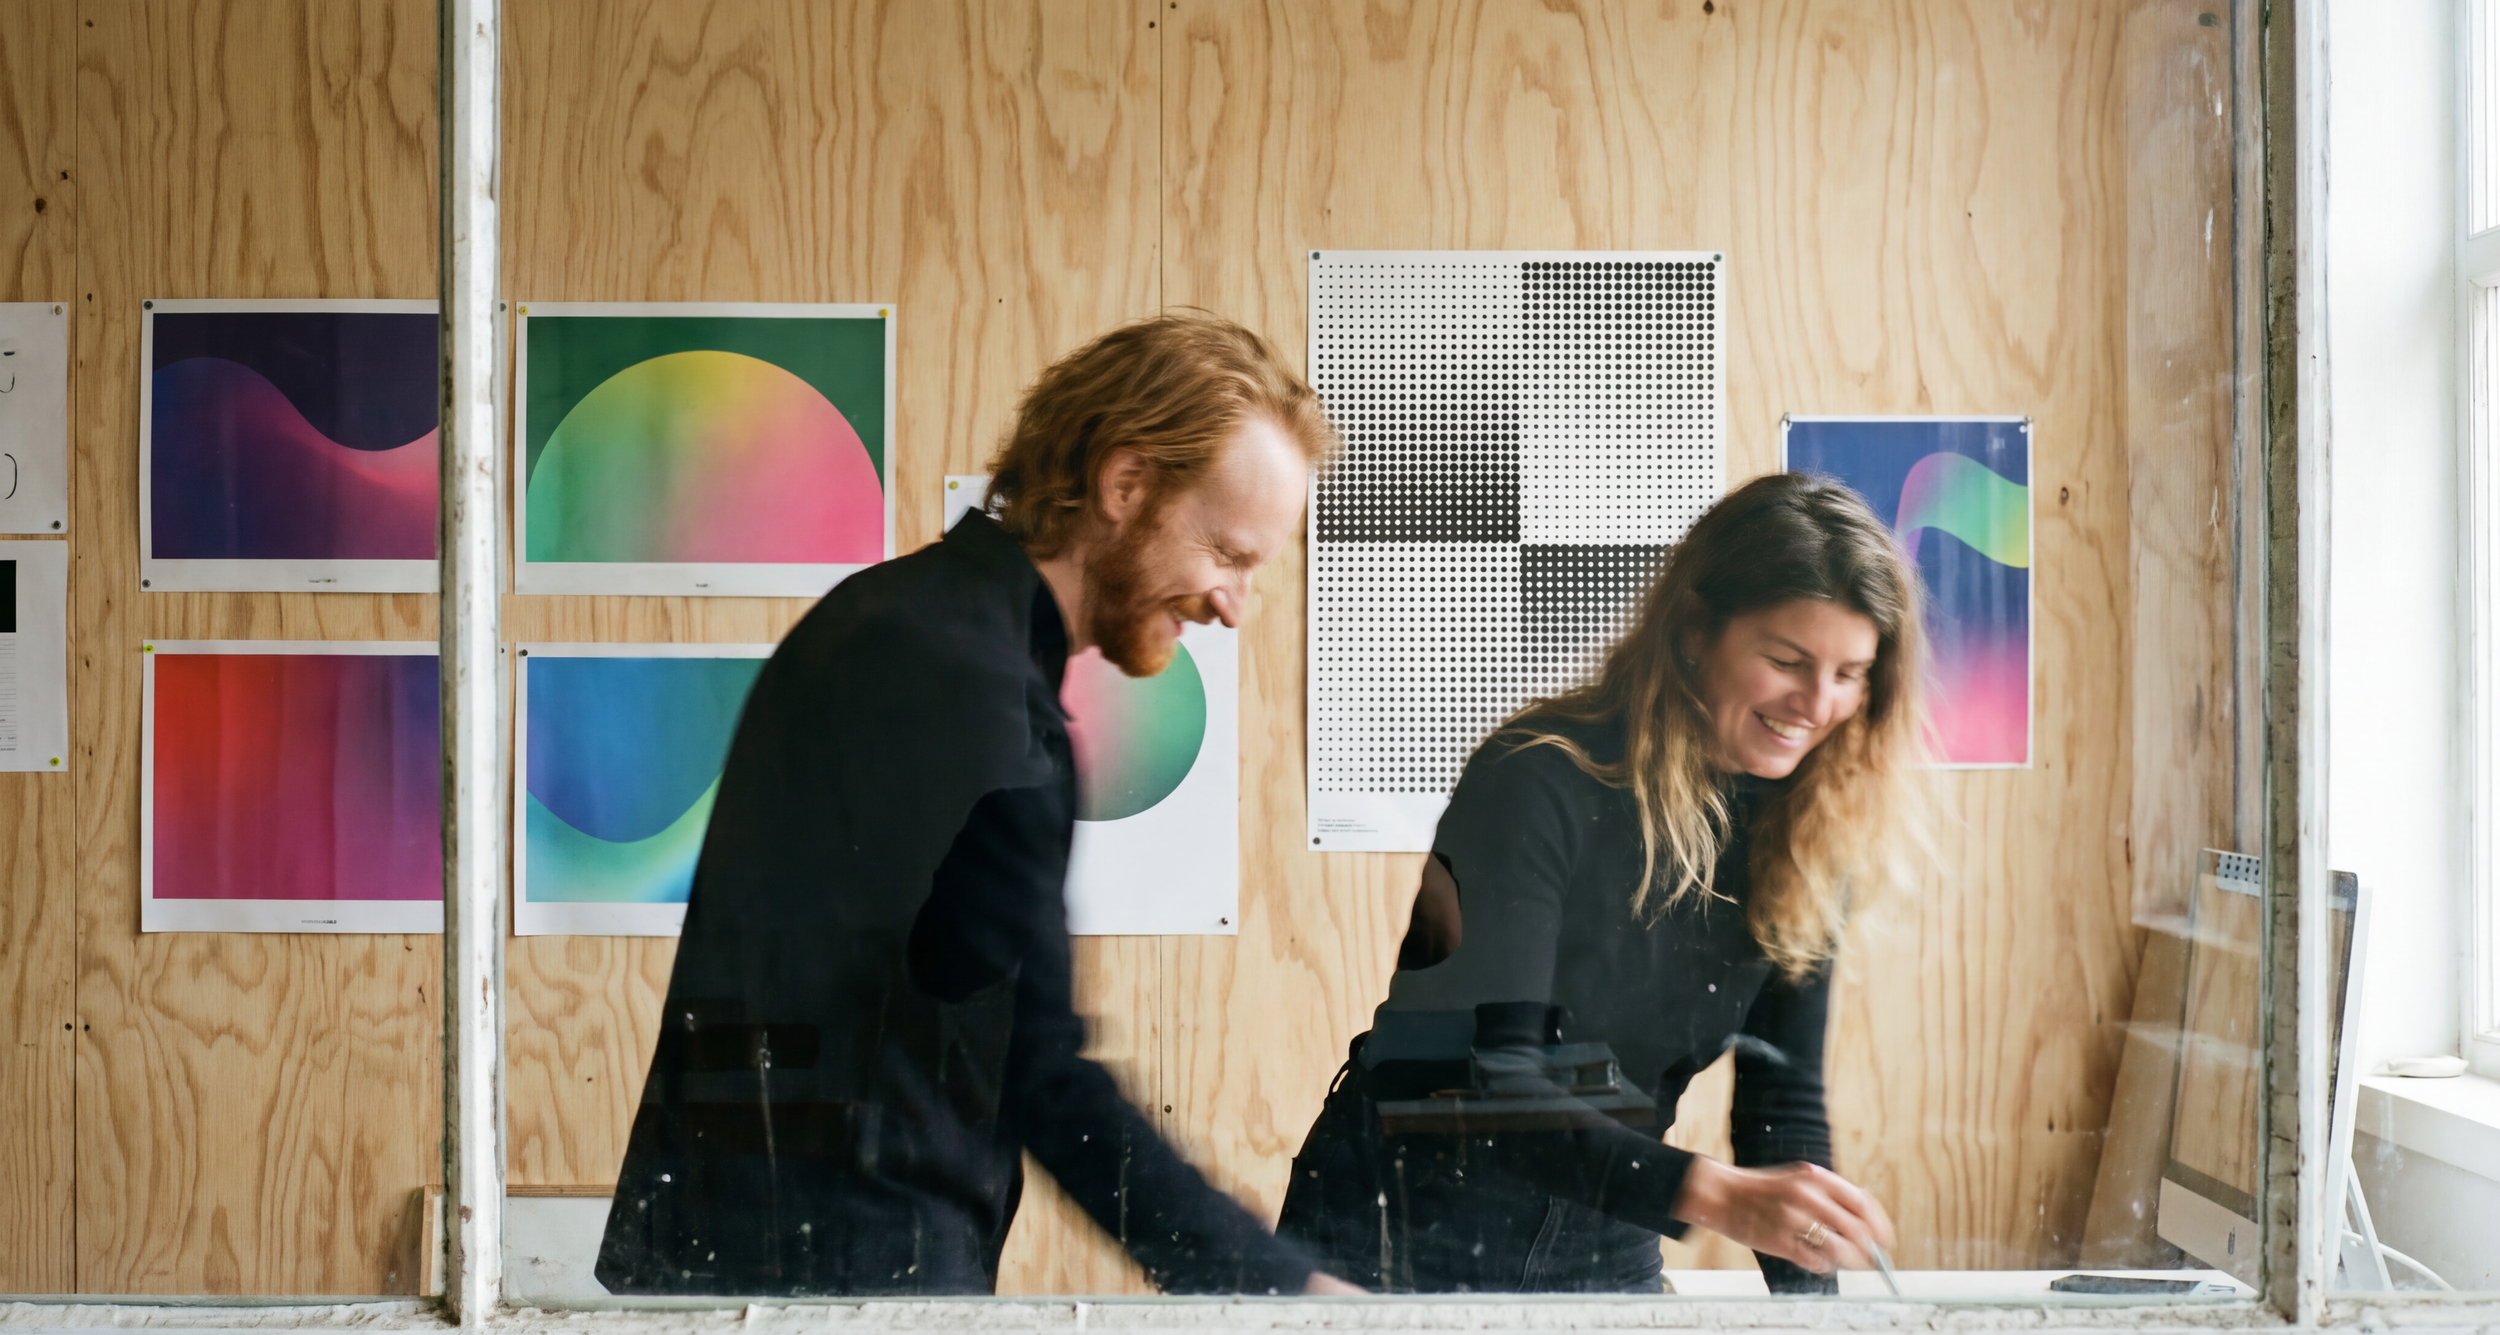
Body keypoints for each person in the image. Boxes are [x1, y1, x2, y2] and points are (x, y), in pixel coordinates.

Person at [596, 313, 1360, 1298]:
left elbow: (942, 1012)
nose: (1233, 604)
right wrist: (1280, 1286)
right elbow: (1042, 1075)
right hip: (836, 1292)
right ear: (1125, 487)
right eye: (1228, 554)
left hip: (769, 1270)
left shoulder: (892, 622)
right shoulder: (972, 697)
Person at [1274, 471, 1929, 1295]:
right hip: (1401, 1221)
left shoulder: (1810, 830)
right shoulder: (1534, 777)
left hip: (1606, 1234)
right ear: (1695, 630)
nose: (1818, 701)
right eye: (1786, 660)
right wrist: (1714, 1193)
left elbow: (1781, 1103)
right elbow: (1480, 1079)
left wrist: (1818, 1311)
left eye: (1851, 672)